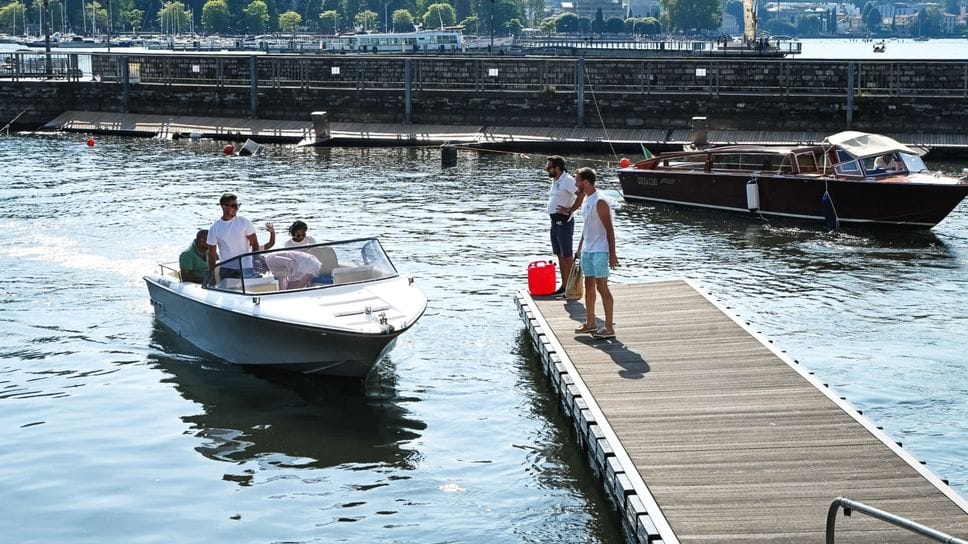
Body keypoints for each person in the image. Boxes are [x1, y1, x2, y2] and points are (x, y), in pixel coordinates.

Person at [572, 167, 618, 340]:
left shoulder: (600, 201)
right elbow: (586, 227)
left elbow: (609, 229)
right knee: (589, 286)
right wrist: (579, 247)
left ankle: (608, 327)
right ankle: (590, 322)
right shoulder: (585, 199)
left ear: (585, 182)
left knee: (602, 287)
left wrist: (612, 254)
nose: (575, 183)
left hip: (600, 250)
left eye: (577, 180)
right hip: (587, 250)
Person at [545, 155, 584, 295]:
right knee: (559, 254)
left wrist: (571, 210)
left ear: (557, 168)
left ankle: (573, 287)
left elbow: (581, 193)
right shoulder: (556, 180)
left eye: (549, 167)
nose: (546, 169)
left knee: (567, 255)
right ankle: (564, 285)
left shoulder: (567, 180)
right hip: (554, 222)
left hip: (564, 221)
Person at [207, 193, 260, 278]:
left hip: (246, 268)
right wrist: (211, 274)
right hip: (226, 269)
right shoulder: (214, 228)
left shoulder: (245, 223)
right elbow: (212, 254)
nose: (236, 208)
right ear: (224, 206)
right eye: (233, 206)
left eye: (238, 205)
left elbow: (254, 243)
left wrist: (256, 261)